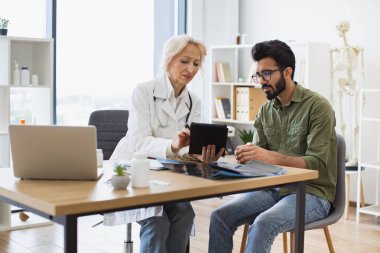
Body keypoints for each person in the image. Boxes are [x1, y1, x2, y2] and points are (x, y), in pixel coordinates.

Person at [208, 40, 337, 253]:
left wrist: (269, 156)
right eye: (258, 75)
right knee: (219, 217)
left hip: (312, 193)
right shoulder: (265, 110)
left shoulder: (318, 107)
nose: (261, 81)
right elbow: (260, 160)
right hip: (272, 188)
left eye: (266, 74)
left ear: (287, 72)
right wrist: (245, 156)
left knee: (263, 223)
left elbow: (318, 164)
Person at [111, 34, 224, 253]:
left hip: (166, 177)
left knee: (185, 214)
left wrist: (197, 155)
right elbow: (137, 142)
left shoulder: (194, 102)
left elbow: (187, 149)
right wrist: (172, 145)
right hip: (133, 172)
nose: (190, 69)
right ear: (168, 60)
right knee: (156, 220)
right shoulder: (144, 91)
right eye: (184, 61)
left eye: (196, 64)